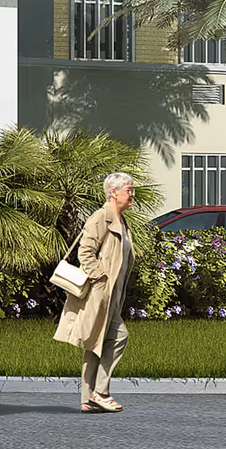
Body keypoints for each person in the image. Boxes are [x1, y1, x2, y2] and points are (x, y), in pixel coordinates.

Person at [55, 171, 138, 413]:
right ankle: (101, 392)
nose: (132, 195)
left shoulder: (121, 220)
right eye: (129, 190)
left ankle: (87, 399)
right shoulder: (102, 217)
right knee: (119, 336)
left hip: (113, 295)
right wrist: (100, 278)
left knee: (95, 342)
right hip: (101, 294)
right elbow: (85, 252)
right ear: (114, 192)